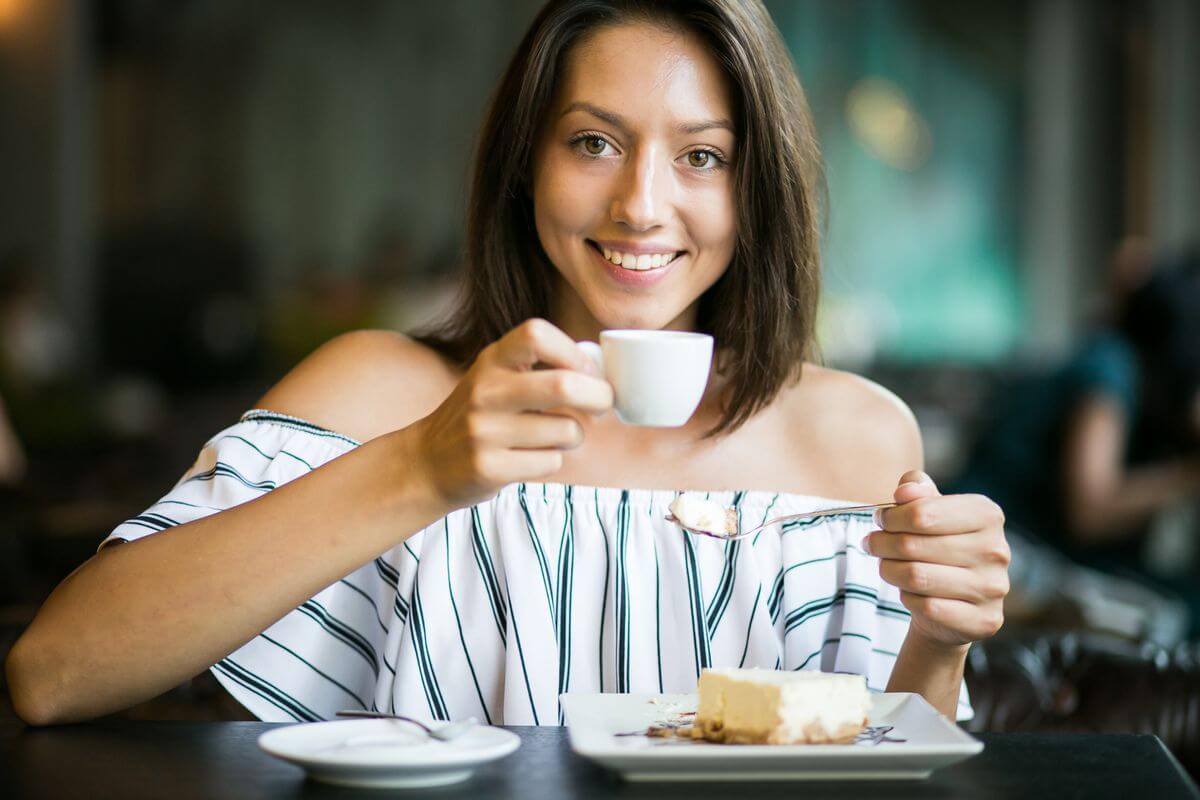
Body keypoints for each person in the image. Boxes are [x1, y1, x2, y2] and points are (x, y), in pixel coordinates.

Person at [5, 0, 1009, 727]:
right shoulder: (384, 388)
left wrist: (941, 637)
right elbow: (55, 671)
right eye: (593, 142)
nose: (643, 206)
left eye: (702, 155)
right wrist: (423, 466)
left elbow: (883, 752)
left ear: (757, 192)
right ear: (525, 162)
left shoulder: (855, 434)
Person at [954, 246, 1200, 633]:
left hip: (1047, 550)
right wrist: (1186, 476)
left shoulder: (1142, 380)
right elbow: (1090, 509)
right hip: (1002, 544)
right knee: (1174, 616)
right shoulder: (1110, 368)